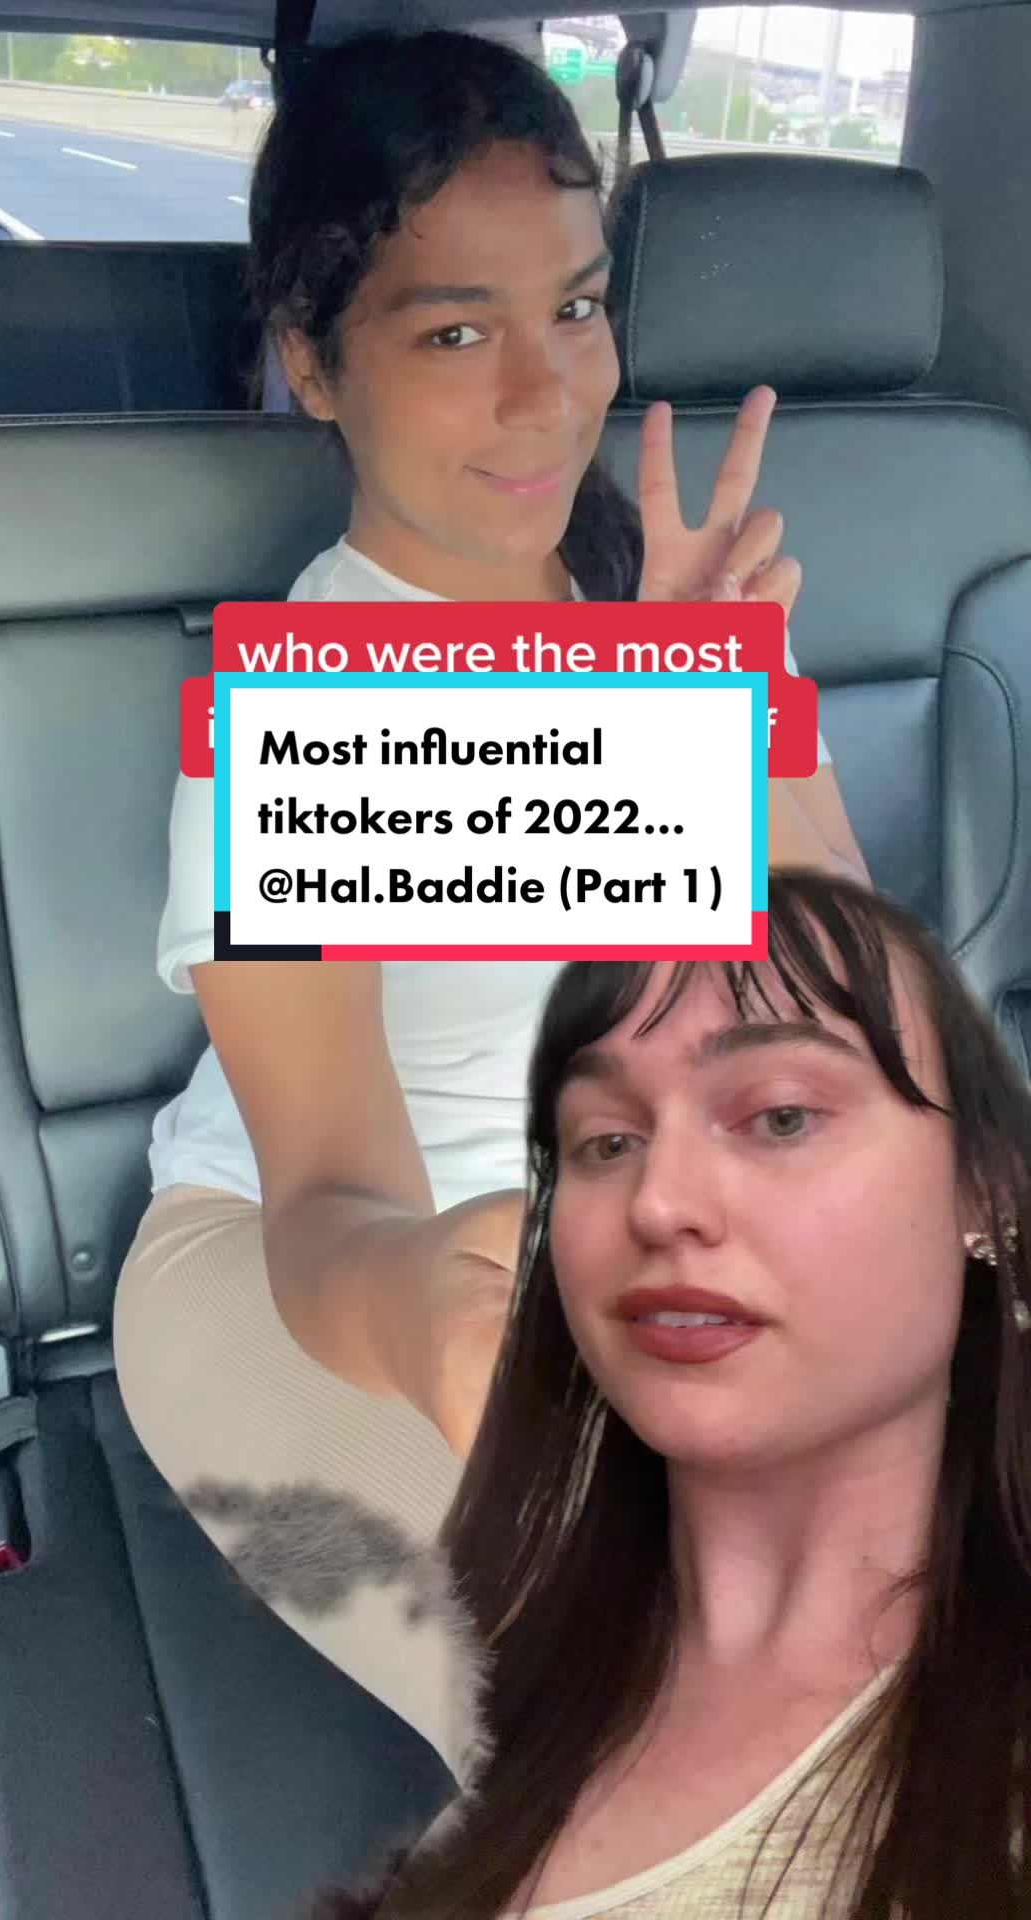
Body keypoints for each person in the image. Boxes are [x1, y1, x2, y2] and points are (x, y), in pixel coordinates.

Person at [114, 22, 867, 1780]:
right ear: (314, 364)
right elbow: (333, 1188)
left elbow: (839, 1007)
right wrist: (428, 1306)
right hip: (309, 1278)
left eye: (577, 308)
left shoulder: (666, 610)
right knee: (663, 1754)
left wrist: (727, 707)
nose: (547, 393)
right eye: (455, 332)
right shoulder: (311, 709)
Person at [289, 868, 1031, 1919]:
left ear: (987, 1187)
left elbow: (828, 952)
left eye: (781, 1119)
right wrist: (410, 1304)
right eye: (609, 1142)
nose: (660, 1202)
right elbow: (320, 1184)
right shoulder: (285, 766)